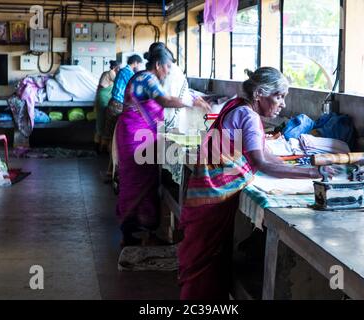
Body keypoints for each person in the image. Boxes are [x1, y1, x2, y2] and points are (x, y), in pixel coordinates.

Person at [178, 67, 328, 300]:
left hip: (206, 192)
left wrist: (298, 168)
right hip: (213, 198)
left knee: (204, 261)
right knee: (205, 267)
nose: (283, 105)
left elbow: (265, 154)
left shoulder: (236, 105)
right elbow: (262, 162)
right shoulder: (247, 116)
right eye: (279, 96)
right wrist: (313, 173)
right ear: (259, 93)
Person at [115, 47, 210, 247]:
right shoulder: (147, 79)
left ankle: (138, 233)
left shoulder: (145, 78)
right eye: (167, 66)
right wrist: (191, 102)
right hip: (136, 136)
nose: (168, 71)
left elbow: (168, 94)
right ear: (157, 65)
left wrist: (191, 96)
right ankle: (136, 233)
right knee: (138, 182)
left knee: (141, 181)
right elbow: (165, 100)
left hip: (137, 134)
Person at [94, 60, 120, 152]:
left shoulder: (106, 72)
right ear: (116, 67)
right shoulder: (111, 73)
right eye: (119, 68)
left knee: (101, 121)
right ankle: (98, 149)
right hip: (103, 99)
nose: (119, 70)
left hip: (102, 98)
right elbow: (118, 82)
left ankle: (98, 147)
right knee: (101, 122)